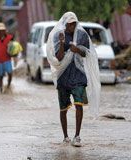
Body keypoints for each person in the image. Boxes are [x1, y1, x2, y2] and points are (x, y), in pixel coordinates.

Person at [46, 12, 100, 147]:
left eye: (73, 24)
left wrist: (77, 50)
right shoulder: (59, 36)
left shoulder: (82, 35)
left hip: (78, 75)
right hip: (63, 76)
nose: (72, 26)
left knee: (79, 105)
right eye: (69, 24)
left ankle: (77, 136)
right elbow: (58, 58)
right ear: (65, 24)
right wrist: (63, 43)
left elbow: (87, 53)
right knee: (63, 109)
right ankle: (65, 137)